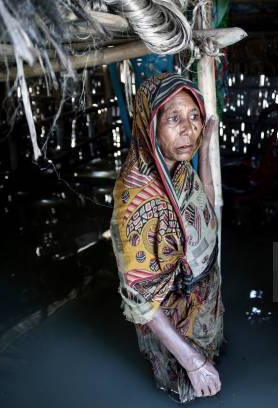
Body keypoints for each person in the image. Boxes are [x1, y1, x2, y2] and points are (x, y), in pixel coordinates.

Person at [109, 73, 224, 403]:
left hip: (203, 300)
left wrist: (206, 146)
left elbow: (206, 200)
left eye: (194, 117)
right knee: (185, 390)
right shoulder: (136, 200)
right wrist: (193, 363)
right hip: (173, 324)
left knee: (212, 363)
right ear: (150, 123)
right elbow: (140, 299)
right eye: (174, 118)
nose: (189, 129)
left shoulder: (179, 165)